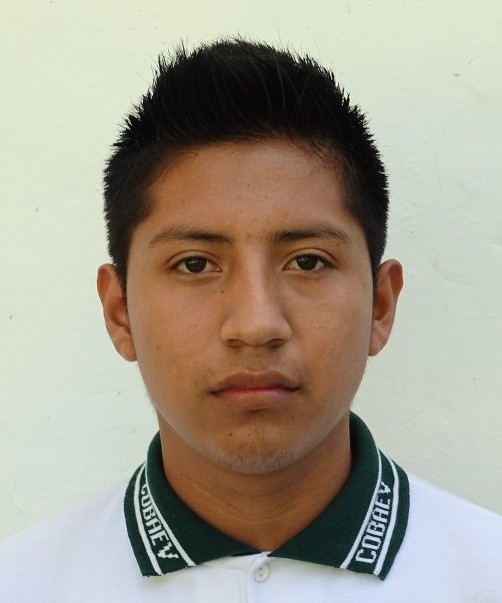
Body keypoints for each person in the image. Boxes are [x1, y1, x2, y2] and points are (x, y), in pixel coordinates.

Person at [0, 38, 500, 602]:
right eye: (194, 264)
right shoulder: (22, 584)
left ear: (381, 306)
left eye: (307, 261)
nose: (257, 325)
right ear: (120, 313)